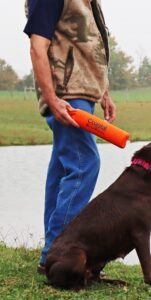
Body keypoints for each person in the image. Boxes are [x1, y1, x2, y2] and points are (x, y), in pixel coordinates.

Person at [23, 0, 116, 274]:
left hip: (83, 92)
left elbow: (90, 48)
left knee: (63, 167)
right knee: (84, 163)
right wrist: (52, 98)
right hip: (67, 94)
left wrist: (104, 93)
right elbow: (37, 46)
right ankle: (57, 251)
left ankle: (52, 251)